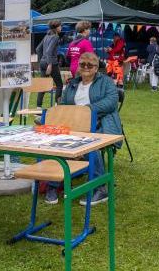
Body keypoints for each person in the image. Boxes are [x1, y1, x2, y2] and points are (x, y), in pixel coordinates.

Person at [45, 52, 121, 205]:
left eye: (90, 65)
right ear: (78, 66)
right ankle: (53, 184)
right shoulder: (73, 84)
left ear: (96, 68)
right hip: (73, 126)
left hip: (100, 124)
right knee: (53, 142)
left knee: (90, 145)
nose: (86, 67)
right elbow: (64, 105)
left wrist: (86, 110)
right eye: (82, 64)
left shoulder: (106, 82)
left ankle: (100, 189)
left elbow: (112, 102)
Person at [35, 19, 63, 107]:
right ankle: (56, 106)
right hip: (51, 63)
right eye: (60, 26)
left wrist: (41, 60)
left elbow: (38, 49)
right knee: (59, 85)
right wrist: (50, 64)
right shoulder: (55, 37)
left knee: (43, 85)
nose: (61, 28)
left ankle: (38, 107)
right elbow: (49, 51)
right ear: (56, 27)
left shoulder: (46, 36)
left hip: (43, 62)